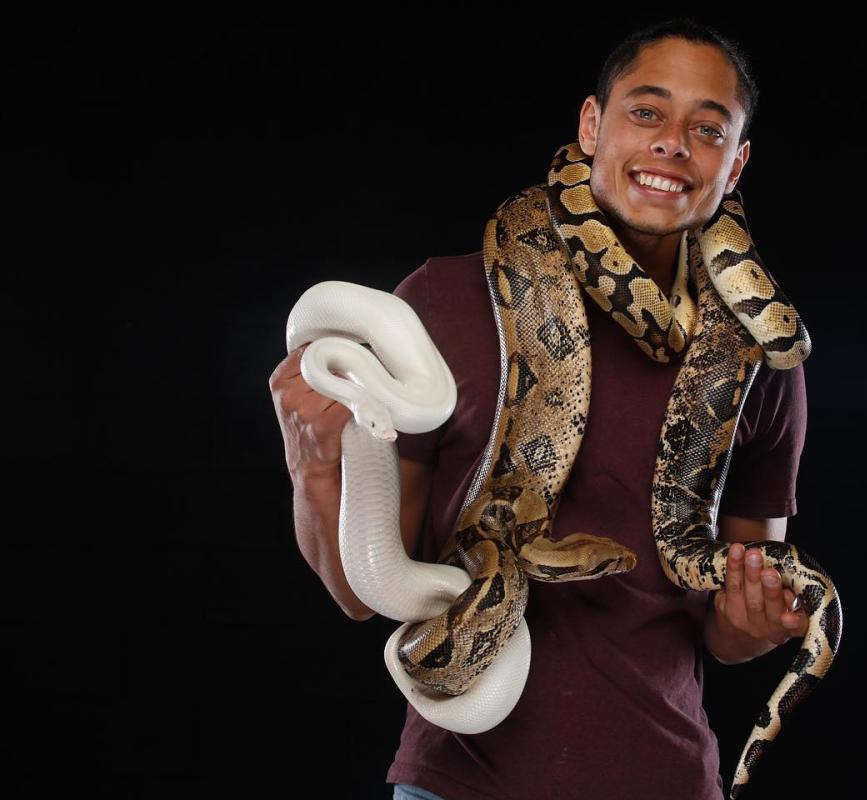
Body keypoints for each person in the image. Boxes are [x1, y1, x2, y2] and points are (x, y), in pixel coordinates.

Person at [269, 17, 811, 800]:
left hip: (665, 778)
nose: (672, 144)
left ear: (735, 166)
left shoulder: (756, 358)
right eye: (647, 112)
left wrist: (754, 626)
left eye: (707, 128)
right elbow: (366, 589)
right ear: (592, 125)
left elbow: (725, 630)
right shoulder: (447, 303)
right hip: (456, 782)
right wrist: (313, 466)